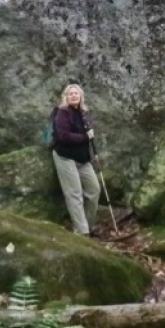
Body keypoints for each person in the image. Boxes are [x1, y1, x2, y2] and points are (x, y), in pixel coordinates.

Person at [51, 84, 101, 237]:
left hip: (83, 159)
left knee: (94, 190)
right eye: (71, 94)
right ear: (66, 97)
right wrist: (85, 137)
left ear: (81, 96)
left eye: (76, 93)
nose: (74, 96)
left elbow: (89, 135)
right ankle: (81, 231)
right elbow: (63, 136)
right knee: (74, 193)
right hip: (65, 157)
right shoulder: (62, 113)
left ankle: (88, 225)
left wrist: (94, 153)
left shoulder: (83, 113)